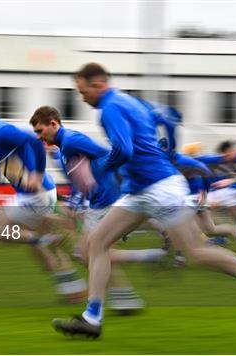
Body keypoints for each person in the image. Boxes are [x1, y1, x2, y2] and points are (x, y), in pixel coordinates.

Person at [52, 63, 236, 338]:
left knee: (196, 253)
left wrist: (100, 168)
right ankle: (92, 318)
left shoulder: (110, 108)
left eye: (83, 91)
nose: (82, 98)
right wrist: (171, 150)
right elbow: (168, 117)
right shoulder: (133, 101)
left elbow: (124, 150)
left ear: (98, 84)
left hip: (160, 188)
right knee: (96, 243)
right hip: (140, 190)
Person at [30, 105, 169, 312]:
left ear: (53, 124)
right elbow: (82, 175)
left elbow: (107, 154)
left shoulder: (71, 140)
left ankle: (108, 302)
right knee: (87, 253)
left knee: (89, 252)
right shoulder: (64, 146)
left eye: (41, 131)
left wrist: (111, 178)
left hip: (105, 200)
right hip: (97, 202)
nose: (40, 138)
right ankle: (130, 288)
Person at [0, 98, 87, 302]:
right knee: (37, 246)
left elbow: (36, 142)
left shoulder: (1, 130)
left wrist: (36, 173)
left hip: (36, 194)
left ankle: (61, 230)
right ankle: (73, 289)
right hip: (30, 195)